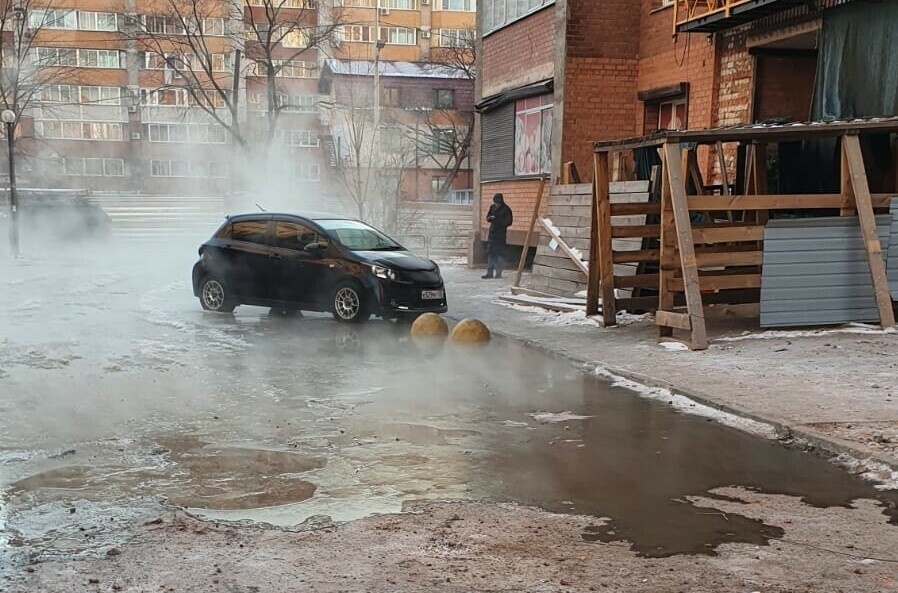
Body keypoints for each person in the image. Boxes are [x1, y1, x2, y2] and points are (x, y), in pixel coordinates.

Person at [483, 193, 513, 279]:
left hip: (500, 235)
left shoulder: (506, 209)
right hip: (492, 234)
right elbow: (488, 217)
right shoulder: (492, 207)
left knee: (500, 254)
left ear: (501, 202)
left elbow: (509, 222)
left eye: (497, 203)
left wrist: (498, 220)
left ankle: (498, 274)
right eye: (495, 202)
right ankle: (489, 273)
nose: (496, 204)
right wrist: (490, 218)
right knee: (491, 253)